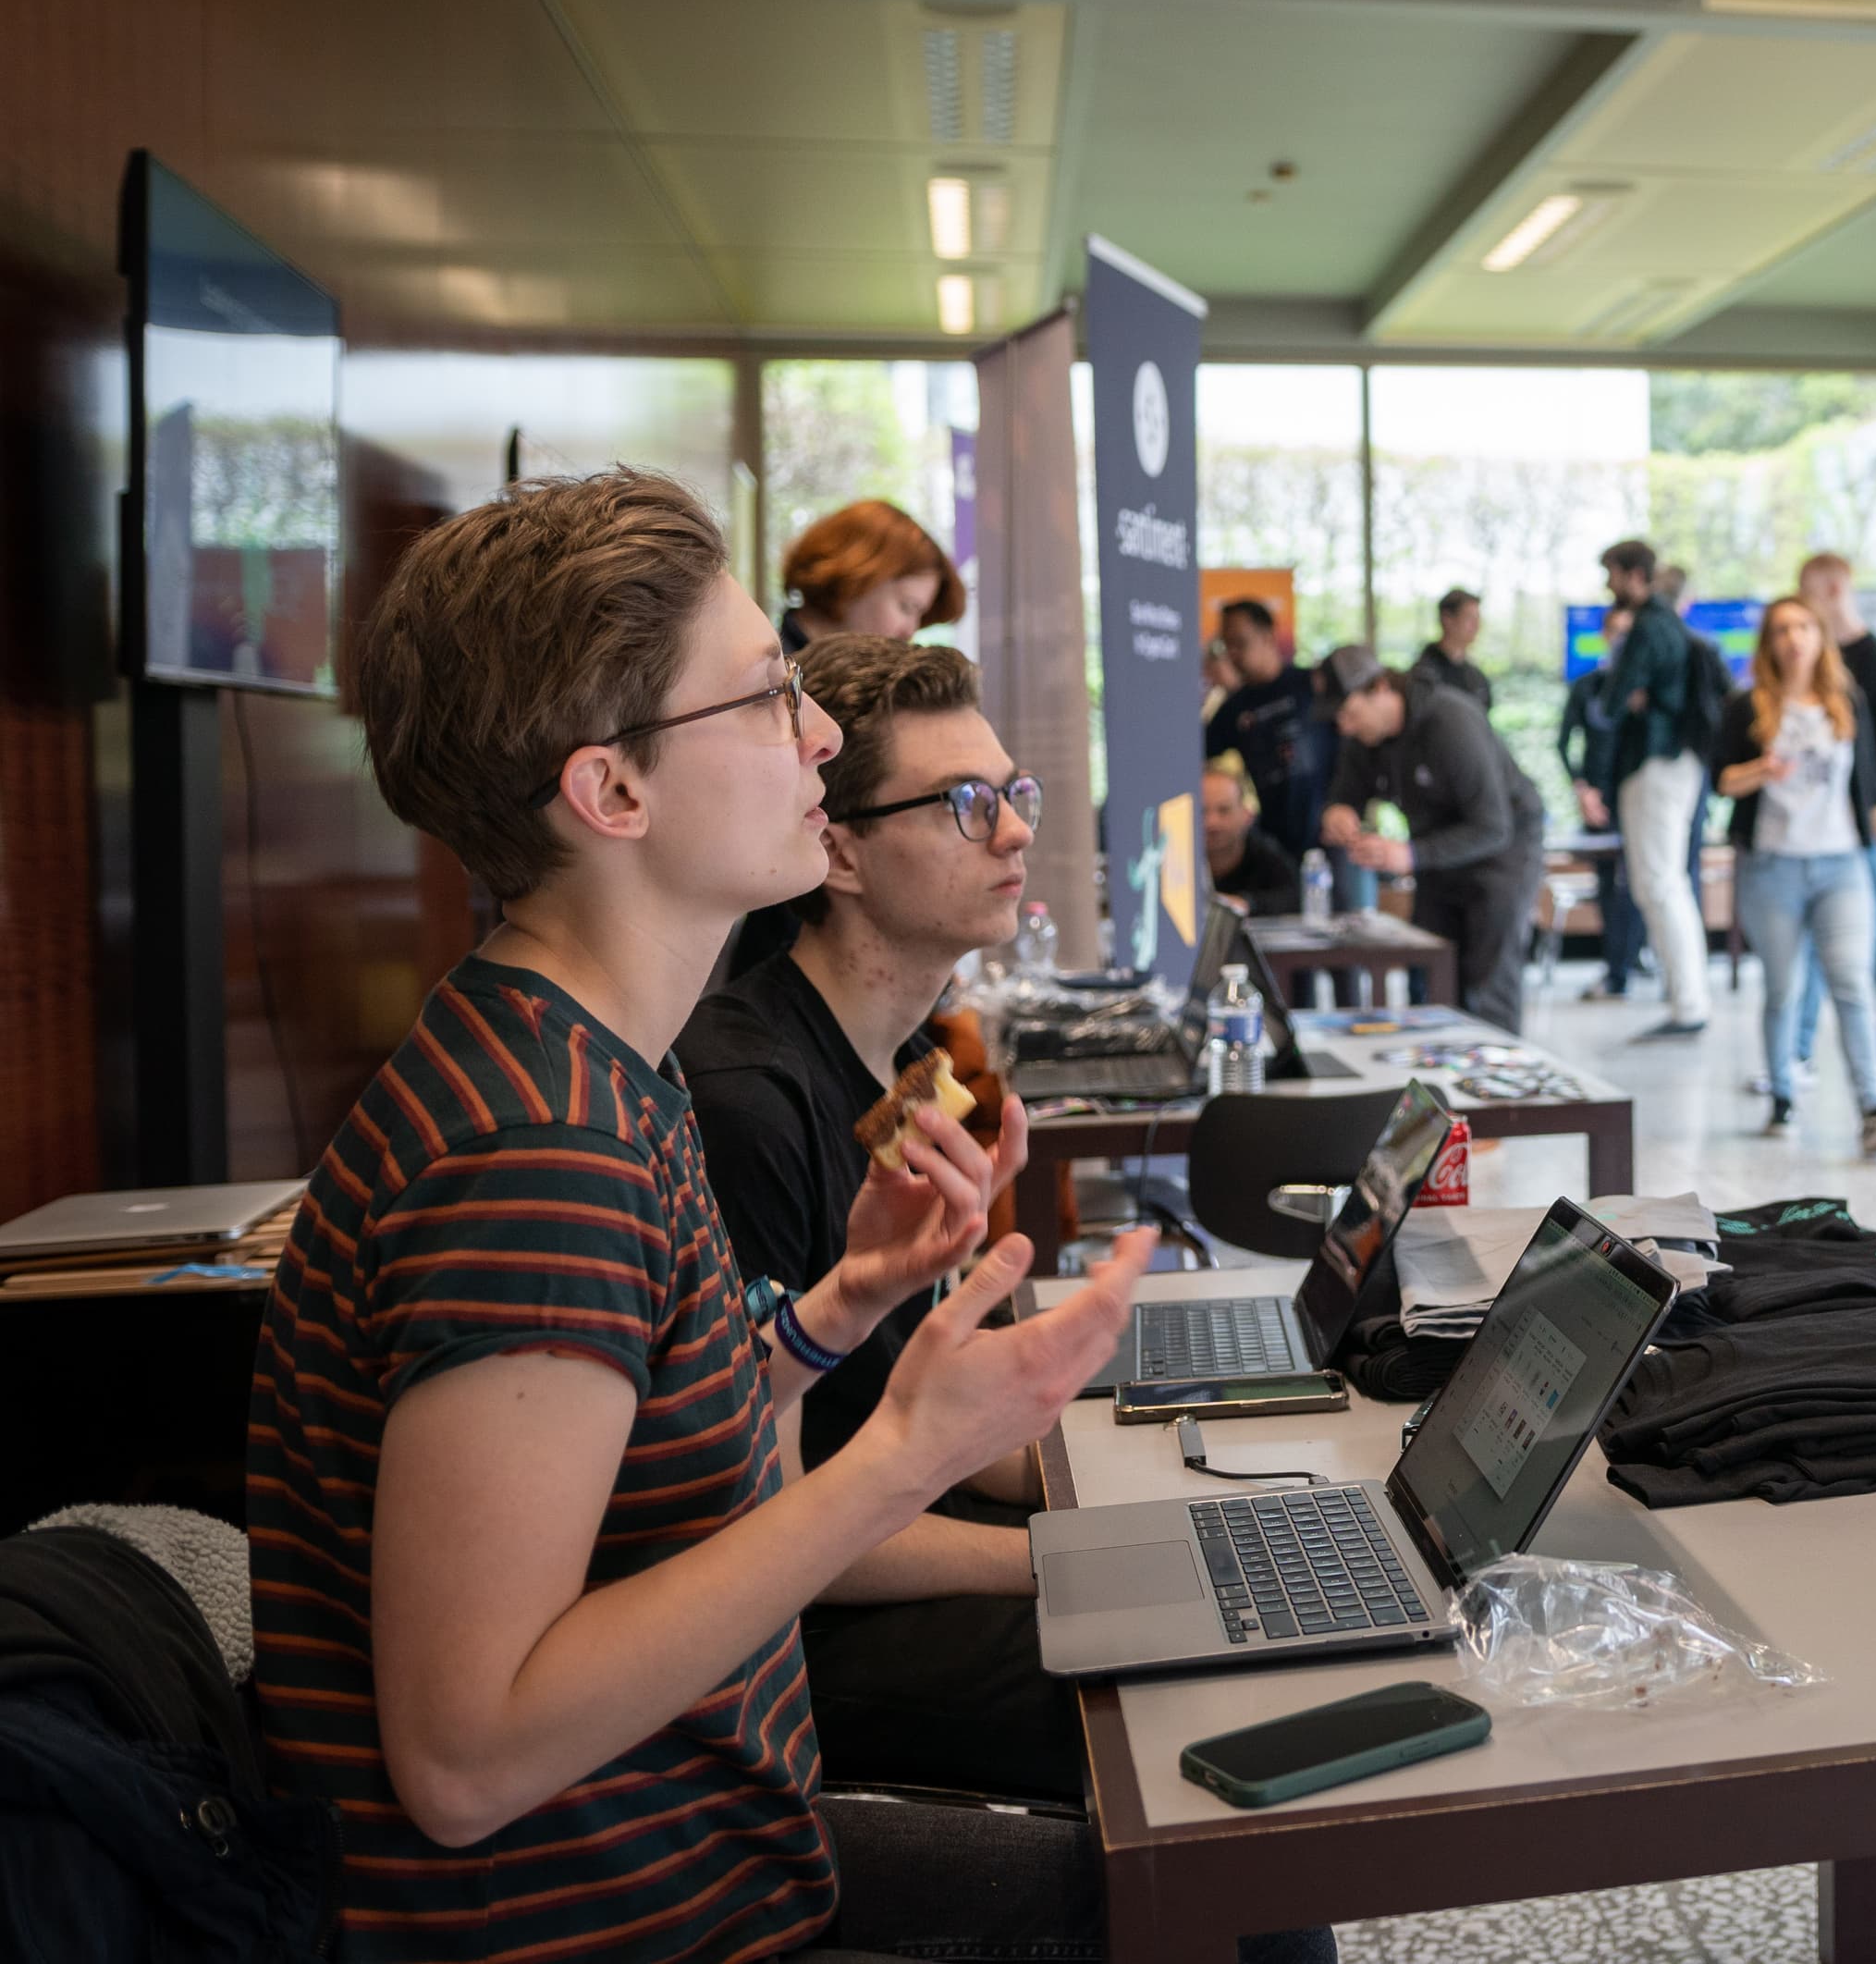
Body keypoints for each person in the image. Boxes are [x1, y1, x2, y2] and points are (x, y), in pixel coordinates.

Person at [238, 469, 1276, 1964]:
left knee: (1225, 1880)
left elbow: (629, 1472)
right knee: (1227, 1903)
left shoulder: (596, 1066)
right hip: (602, 1917)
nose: (821, 734)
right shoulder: (541, 1149)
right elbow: (469, 1760)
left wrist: (828, 1320)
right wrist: (906, 1457)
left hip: (709, 1849)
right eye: (769, 699)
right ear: (613, 791)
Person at [679, 632, 1077, 1807]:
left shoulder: (904, 1060)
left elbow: (928, 1415)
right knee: (1175, 1701)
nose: (1012, 831)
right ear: (838, 850)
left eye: (1013, 794)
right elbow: (780, 1530)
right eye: (964, 803)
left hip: (901, 1538)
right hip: (796, 1644)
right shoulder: (745, 1103)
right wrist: (1067, 1557)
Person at [1715, 595, 1876, 1157]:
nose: (1793, 638)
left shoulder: (1845, 702)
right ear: (1768, 643)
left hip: (1842, 863)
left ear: (1820, 637)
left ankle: (1874, 1107)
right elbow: (1722, 781)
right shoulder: (1745, 705)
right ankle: (1782, 1095)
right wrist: (1762, 769)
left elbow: (1870, 787)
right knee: (1784, 988)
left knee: (1851, 981)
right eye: (1781, 629)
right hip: (1772, 866)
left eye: (1803, 626)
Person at [1320, 644, 1550, 1032]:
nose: (1344, 727)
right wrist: (1337, 813)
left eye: (1349, 713)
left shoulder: (1450, 721)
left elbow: (1493, 826)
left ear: (1379, 689)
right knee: (1431, 973)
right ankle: (1436, 1082)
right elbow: (1345, 795)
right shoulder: (1364, 738)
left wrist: (1409, 855)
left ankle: (1497, 1082)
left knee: (1489, 979)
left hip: (1501, 849)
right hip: (1437, 853)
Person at [1784, 552, 1876, 1086]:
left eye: (1806, 594)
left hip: (1862, 825)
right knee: (1813, 945)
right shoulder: (1817, 663)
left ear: (1835, 590)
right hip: (1816, 829)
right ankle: (1798, 1052)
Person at [1599, 539, 1710, 1039]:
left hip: (1658, 765)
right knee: (1658, 883)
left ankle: (1689, 1004)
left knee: (1662, 883)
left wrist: (1627, 692)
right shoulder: (1667, 625)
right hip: (1665, 765)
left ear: (1632, 574)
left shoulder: (1650, 626)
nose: (1607, 586)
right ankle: (1684, 998)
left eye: (1612, 574)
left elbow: (1610, 701)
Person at [1204, 598, 1336, 868]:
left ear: (1267, 637)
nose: (1233, 653)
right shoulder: (1233, 708)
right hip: (1279, 843)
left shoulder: (1310, 685)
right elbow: (1198, 754)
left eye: (1240, 642)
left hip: (1333, 836)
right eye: (1226, 645)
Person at [1563, 602, 1649, 998]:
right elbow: (1564, 744)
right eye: (1614, 630)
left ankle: (1627, 963)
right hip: (1597, 801)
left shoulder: (1642, 691)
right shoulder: (1587, 687)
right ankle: (1616, 967)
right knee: (1608, 886)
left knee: (1637, 886)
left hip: (1636, 797)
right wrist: (1583, 790)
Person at [781, 498, 963, 650]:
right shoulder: (766, 680)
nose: (910, 632)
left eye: (920, 616)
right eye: (907, 607)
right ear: (854, 578)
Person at [1201, 755, 1304, 914]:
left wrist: (1247, 904)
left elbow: (1295, 897)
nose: (1212, 822)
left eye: (1224, 810)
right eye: (1202, 812)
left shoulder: (1265, 854)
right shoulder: (1175, 858)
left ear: (1247, 815)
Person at [1410, 587, 1494, 710]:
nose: (1476, 625)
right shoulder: (1424, 675)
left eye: (1477, 618)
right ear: (1447, 619)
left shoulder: (1477, 677)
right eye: (1470, 618)